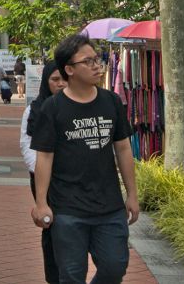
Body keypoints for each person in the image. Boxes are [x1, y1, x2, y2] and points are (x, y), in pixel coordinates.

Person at [31, 35, 139, 284]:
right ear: (69, 69)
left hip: (109, 206)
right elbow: (44, 157)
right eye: (87, 61)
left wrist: (132, 194)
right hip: (68, 208)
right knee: (71, 275)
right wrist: (41, 202)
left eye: (97, 59)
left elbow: (123, 149)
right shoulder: (53, 108)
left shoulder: (111, 102)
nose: (96, 65)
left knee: (115, 267)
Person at [21, 61, 67, 284]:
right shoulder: (34, 109)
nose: (60, 84)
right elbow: (27, 145)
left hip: (72, 178)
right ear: (46, 81)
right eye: (54, 80)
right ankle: (54, 277)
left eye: (63, 79)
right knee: (51, 226)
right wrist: (42, 170)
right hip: (43, 180)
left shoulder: (75, 107)